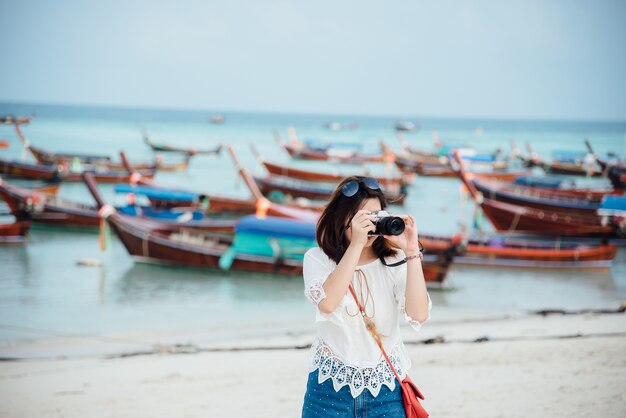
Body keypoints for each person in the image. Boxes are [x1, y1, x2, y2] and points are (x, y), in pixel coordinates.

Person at [301, 176, 432, 417]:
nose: (371, 224)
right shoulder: (317, 259)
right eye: (363, 218)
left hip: (386, 389)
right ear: (341, 220)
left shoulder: (394, 262)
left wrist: (412, 252)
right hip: (329, 389)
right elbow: (328, 303)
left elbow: (419, 314)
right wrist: (356, 246)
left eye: (376, 216)